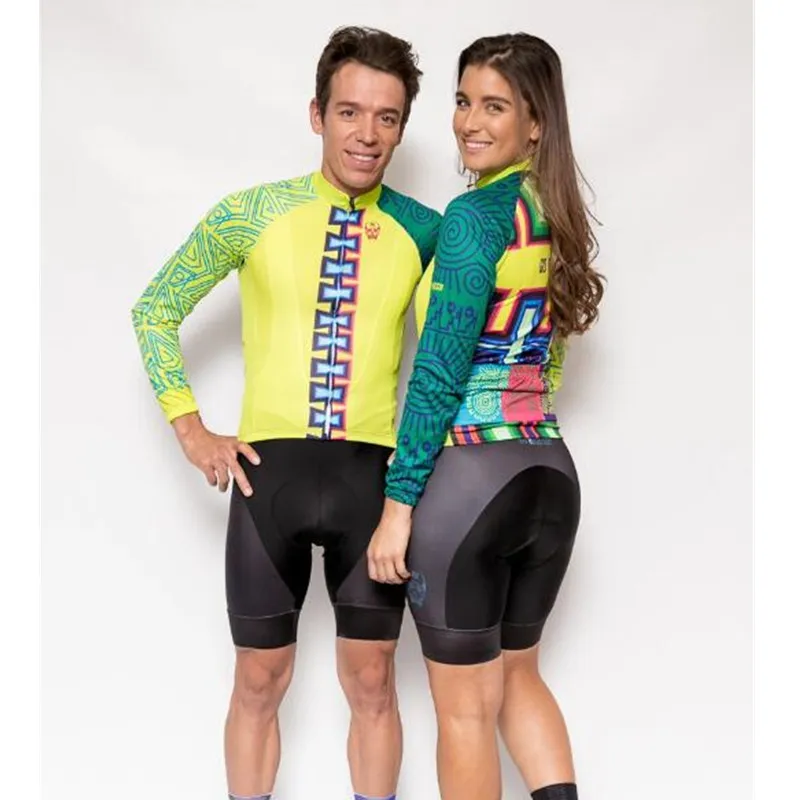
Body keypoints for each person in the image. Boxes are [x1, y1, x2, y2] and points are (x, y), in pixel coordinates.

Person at [131, 26, 440, 800]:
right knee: (259, 681)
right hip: (268, 484)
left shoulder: (425, 231)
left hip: (375, 487)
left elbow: (454, 351)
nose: (367, 134)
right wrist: (190, 429)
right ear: (316, 114)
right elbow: (154, 310)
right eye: (349, 112)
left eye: (387, 117)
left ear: (403, 127)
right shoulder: (252, 213)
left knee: (373, 682)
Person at [367, 33, 604, 800]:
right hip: (548, 473)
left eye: (494, 106)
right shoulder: (557, 214)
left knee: (466, 711)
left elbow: (439, 371)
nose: (470, 121)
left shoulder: (475, 215)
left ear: (536, 122)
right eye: (463, 101)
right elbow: (545, 360)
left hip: (471, 480)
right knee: (519, 676)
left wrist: (397, 506)